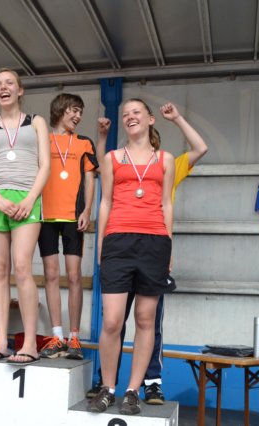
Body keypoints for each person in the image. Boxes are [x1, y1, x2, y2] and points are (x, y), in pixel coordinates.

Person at [88, 101, 208, 405]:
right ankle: (107, 387)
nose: (130, 117)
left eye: (136, 112)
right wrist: (101, 246)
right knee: (112, 321)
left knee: (145, 319)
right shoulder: (113, 158)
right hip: (118, 241)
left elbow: (167, 204)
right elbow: (105, 202)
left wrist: (168, 245)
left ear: (151, 119)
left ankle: (133, 390)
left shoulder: (166, 159)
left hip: (154, 243)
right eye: (125, 114)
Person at [0, 68, 50, 366]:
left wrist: (30, 199)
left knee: (22, 267)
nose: (3, 87)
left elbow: (45, 165)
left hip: (27, 199)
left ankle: (29, 343)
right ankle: (2, 342)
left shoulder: (36, 122)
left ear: (20, 90)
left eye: (9, 83)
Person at [37, 93, 98, 360]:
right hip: (45, 216)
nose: (78, 116)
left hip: (74, 217)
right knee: (51, 275)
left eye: (80, 112)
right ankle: (56, 336)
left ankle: (74, 337)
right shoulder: (42, 140)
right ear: (60, 109)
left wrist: (87, 210)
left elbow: (90, 178)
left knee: (74, 276)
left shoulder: (84, 142)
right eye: (74, 110)